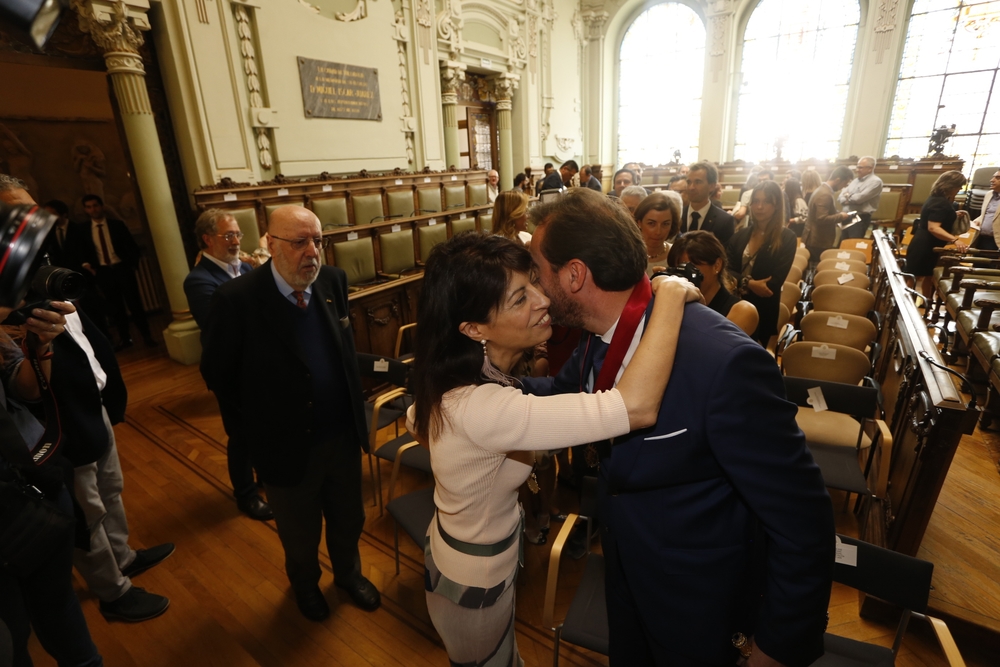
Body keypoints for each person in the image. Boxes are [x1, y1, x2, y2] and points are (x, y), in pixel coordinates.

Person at [522, 187, 834, 666]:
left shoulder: (724, 363)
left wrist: (777, 646)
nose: (536, 285)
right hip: (627, 573)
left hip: (699, 604)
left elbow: (803, 520)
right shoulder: (596, 337)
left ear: (575, 274)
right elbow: (563, 397)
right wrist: (481, 393)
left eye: (539, 272)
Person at [408, 231, 697, 667]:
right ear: (473, 328)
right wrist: (671, 293)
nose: (543, 301)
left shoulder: (450, 376)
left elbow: (417, 420)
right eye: (520, 298)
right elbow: (634, 407)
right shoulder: (483, 407)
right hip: (473, 579)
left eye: (533, 285)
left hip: (461, 550)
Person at [200, 205, 381, 622]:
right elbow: (217, 374)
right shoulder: (237, 300)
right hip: (285, 446)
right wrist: (259, 427)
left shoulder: (333, 281)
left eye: (318, 240)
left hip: (341, 435)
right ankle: (305, 585)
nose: (312, 252)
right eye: (299, 242)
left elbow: (342, 354)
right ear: (271, 244)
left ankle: (349, 576)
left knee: (347, 518)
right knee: (299, 533)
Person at [0, 174, 106, 667]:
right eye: (13, 223)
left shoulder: (19, 288)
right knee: (12, 635)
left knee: (59, 606)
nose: (28, 233)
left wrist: (38, 345)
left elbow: (23, 386)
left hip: (34, 477)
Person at [183, 209, 272, 522]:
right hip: (230, 370)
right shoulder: (198, 280)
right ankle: (245, 496)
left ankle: (265, 478)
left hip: (257, 364)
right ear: (208, 240)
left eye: (238, 234)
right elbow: (217, 324)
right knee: (241, 434)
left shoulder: (243, 269)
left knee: (261, 425)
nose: (236, 241)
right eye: (228, 235)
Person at [71, 195, 156, 350]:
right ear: (85, 209)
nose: (93, 209)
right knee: (115, 308)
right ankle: (125, 338)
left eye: (95, 205)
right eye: (89, 207)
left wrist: (131, 265)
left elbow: (131, 246)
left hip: (122, 268)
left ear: (102, 206)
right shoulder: (83, 229)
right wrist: (87, 265)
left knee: (135, 304)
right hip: (103, 272)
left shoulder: (117, 225)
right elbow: (80, 250)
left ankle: (146, 336)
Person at [726, 181, 797, 345]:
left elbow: (773, 282)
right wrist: (749, 283)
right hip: (734, 305)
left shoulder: (787, 238)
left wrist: (740, 282)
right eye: (756, 201)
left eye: (766, 202)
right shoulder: (740, 235)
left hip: (763, 309)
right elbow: (726, 269)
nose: (759, 206)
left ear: (777, 205)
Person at [669, 230, 759, 336]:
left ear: (717, 266)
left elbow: (709, 348)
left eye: (691, 268)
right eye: (679, 269)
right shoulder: (677, 303)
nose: (685, 275)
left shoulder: (742, 311)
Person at [906, 170, 970, 300]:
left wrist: (953, 215)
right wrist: (955, 240)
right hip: (925, 245)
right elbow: (933, 228)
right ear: (951, 186)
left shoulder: (936, 199)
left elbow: (936, 218)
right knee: (914, 277)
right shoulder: (940, 202)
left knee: (929, 276)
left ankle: (925, 304)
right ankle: (907, 307)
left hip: (926, 243)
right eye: (959, 186)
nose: (959, 189)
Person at [801, 166, 854, 262]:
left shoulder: (822, 189)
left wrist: (837, 213)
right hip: (817, 239)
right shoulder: (825, 194)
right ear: (838, 180)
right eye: (845, 183)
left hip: (816, 238)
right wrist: (841, 216)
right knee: (815, 268)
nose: (845, 186)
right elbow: (821, 218)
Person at [681, 161, 736, 246]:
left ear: (712, 186)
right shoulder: (678, 215)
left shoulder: (724, 221)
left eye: (698, 182)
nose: (691, 187)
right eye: (689, 182)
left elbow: (725, 256)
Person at [634, 191, 679, 275]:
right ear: (639, 223)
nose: (658, 232)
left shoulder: (677, 255)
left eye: (665, 224)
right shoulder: (626, 254)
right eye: (651, 223)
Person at [838, 157, 883, 239]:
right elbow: (840, 197)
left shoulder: (875, 182)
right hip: (847, 217)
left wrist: (848, 196)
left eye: (860, 167)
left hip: (860, 218)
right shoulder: (855, 181)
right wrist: (849, 197)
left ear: (870, 169)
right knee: (843, 244)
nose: (857, 170)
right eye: (857, 167)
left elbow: (858, 199)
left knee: (852, 245)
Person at [974, 169, 1000, 251]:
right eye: (993, 177)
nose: (992, 180)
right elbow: (986, 214)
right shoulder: (989, 194)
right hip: (981, 239)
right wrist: (977, 220)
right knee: (977, 263)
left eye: (997, 178)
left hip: (997, 242)